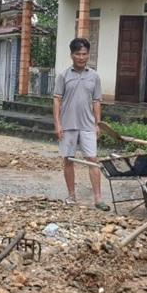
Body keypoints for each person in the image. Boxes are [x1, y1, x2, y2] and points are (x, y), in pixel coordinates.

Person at [53, 38, 108, 211]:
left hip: (88, 125)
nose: (81, 57)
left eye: (84, 54)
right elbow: (57, 100)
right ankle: (71, 195)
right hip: (68, 124)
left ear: (88, 55)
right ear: (71, 55)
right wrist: (57, 123)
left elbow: (97, 101)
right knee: (68, 159)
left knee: (92, 160)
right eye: (78, 54)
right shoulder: (63, 75)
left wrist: (97, 123)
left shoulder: (94, 76)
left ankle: (98, 198)